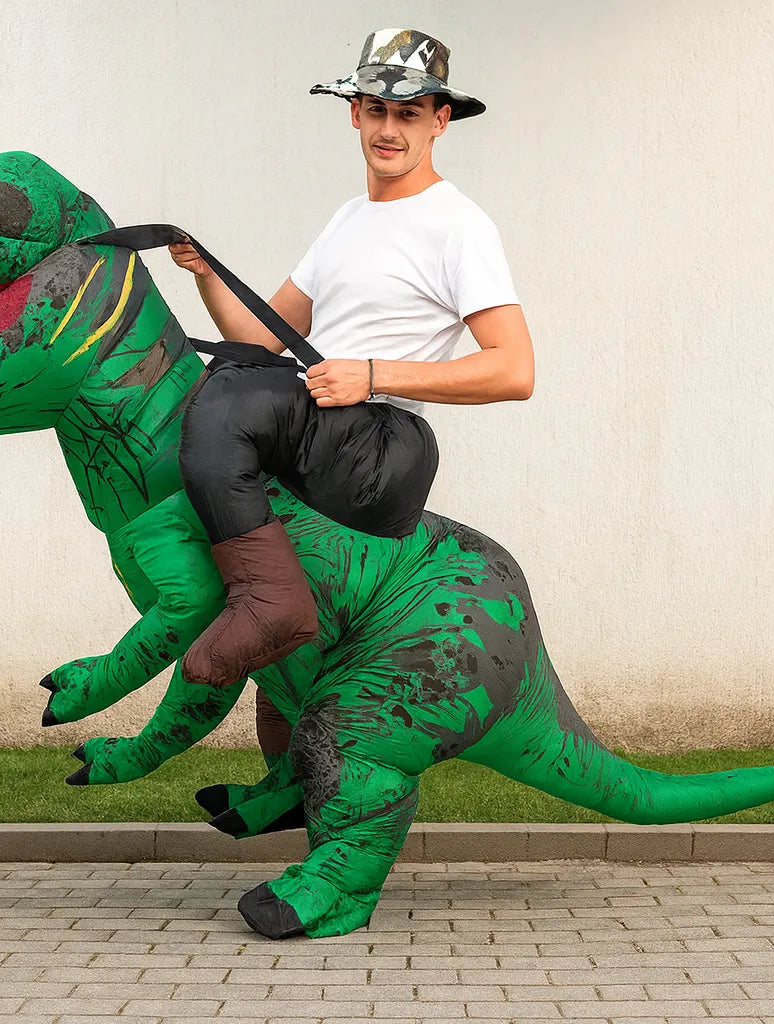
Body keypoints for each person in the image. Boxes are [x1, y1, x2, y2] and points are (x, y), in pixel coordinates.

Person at [169, 27, 535, 753]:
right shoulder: (347, 219)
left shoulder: (459, 226)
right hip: (320, 427)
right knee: (220, 380)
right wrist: (207, 275)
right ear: (354, 114)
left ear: (440, 120)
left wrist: (370, 373)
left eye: (408, 113)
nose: (389, 129)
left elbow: (513, 369)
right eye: (376, 110)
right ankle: (289, 777)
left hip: (376, 442)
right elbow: (261, 340)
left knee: (229, 400)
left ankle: (269, 601)